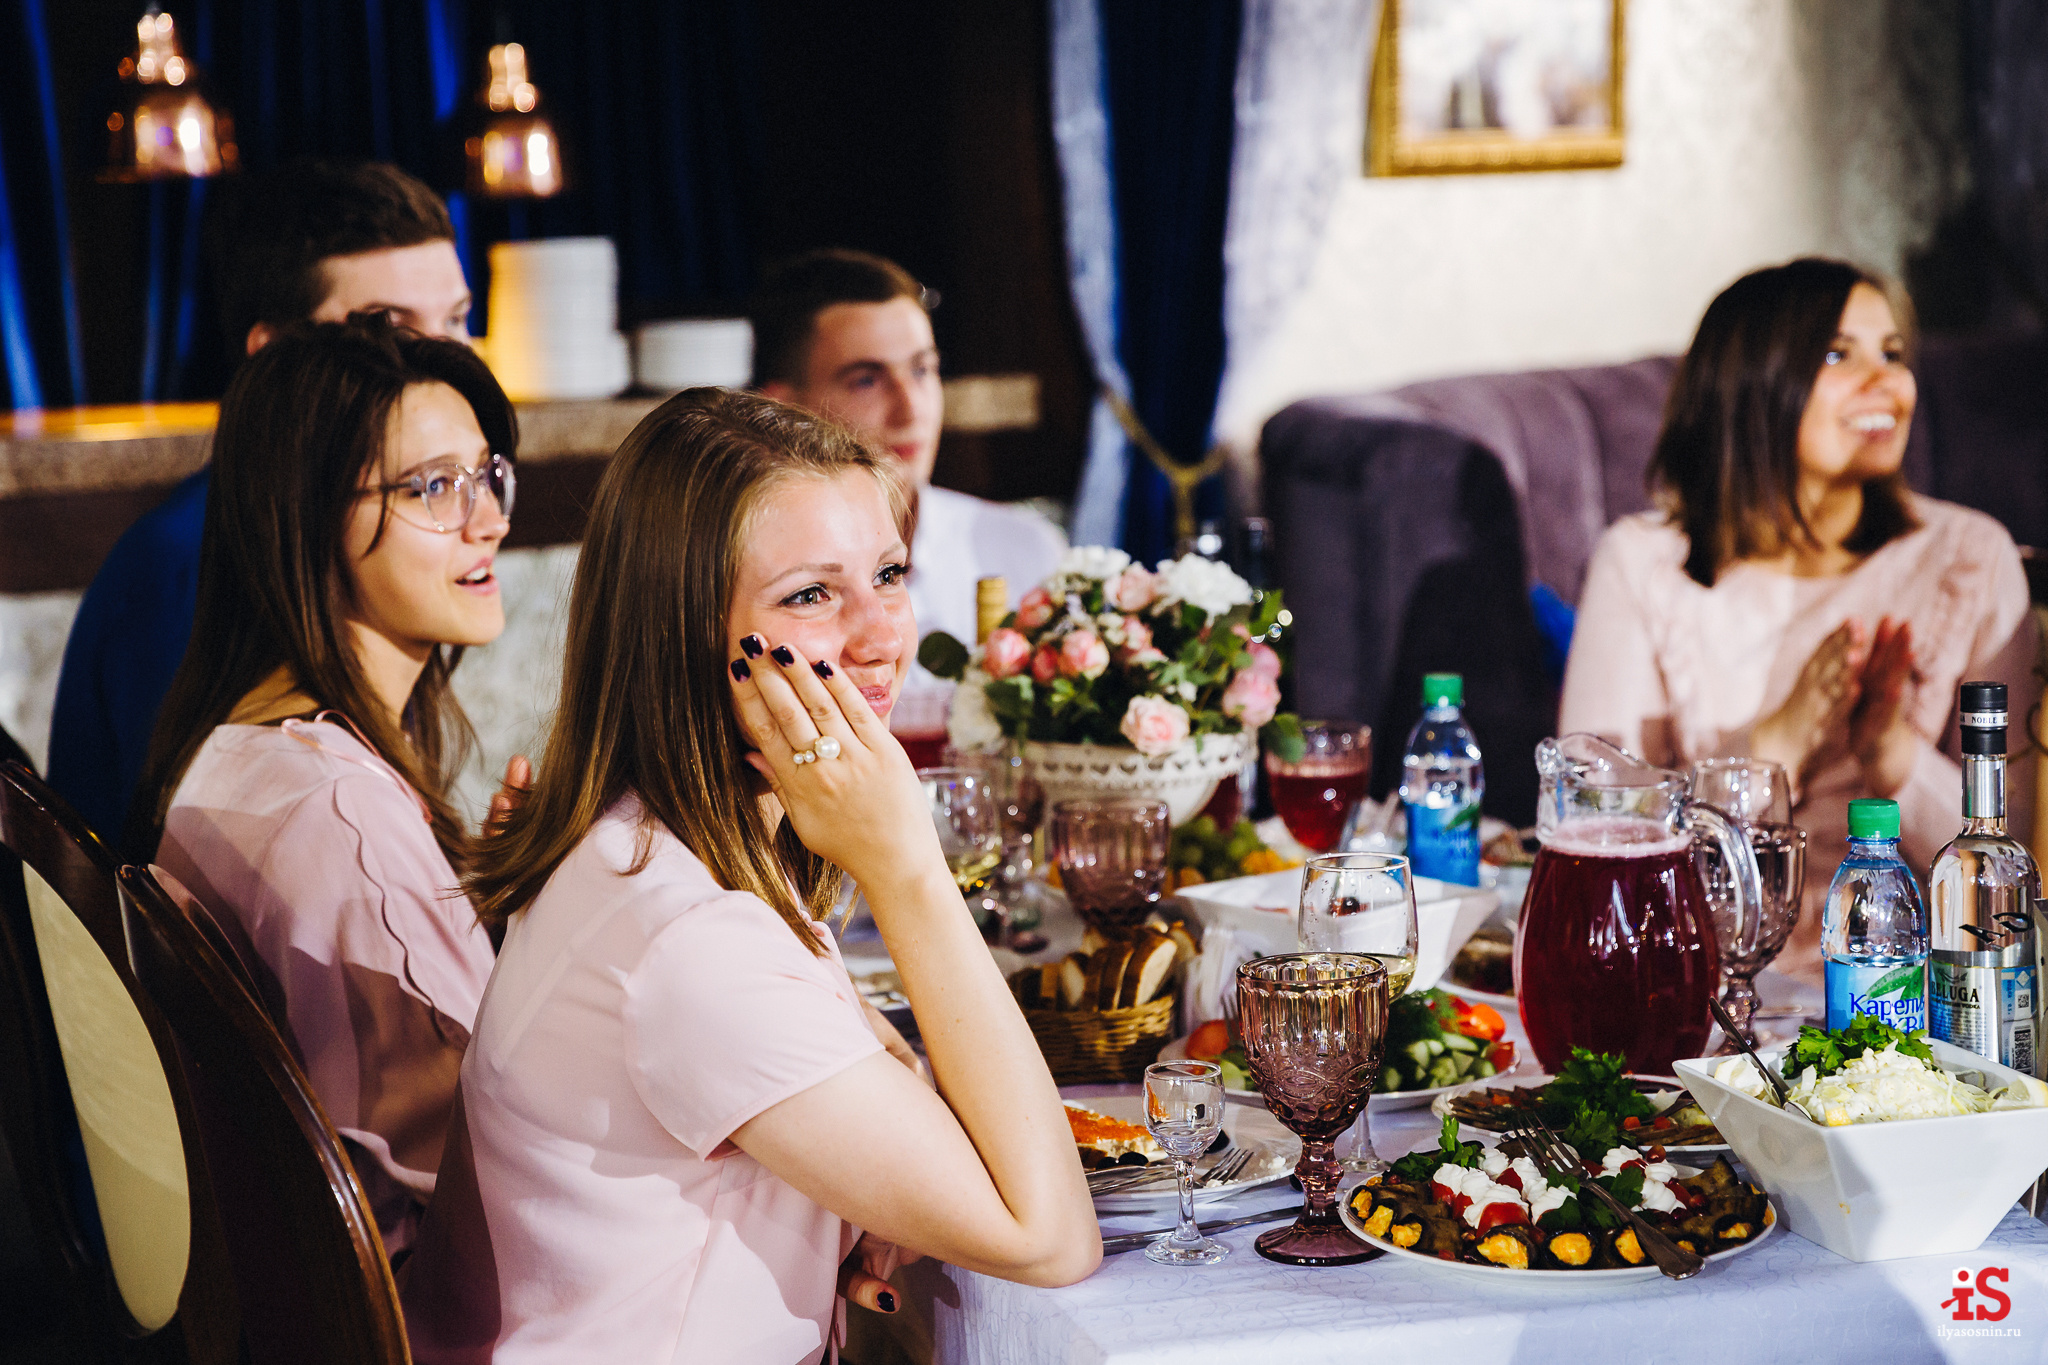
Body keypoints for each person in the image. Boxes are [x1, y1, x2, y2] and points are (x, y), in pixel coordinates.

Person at [398, 389, 1098, 1363]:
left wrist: (863, 1200)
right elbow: (1050, 1238)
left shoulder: (651, 844)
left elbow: (898, 1088)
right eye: (809, 595)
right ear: (683, 630)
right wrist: (907, 870)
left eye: (888, 574)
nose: (877, 634)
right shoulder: (690, 940)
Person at [133, 317, 511, 1255]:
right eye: (433, 487)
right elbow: (494, 1166)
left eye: (486, 473)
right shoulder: (337, 813)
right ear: (307, 516)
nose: (490, 519)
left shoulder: (243, 749)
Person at [1560, 257, 2038, 980]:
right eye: (1839, 353)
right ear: (1751, 384)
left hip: (1917, 991)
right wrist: (1775, 744)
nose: (1888, 382)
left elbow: (2015, 885)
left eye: (1894, 353)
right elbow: (1596, 843)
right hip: (1696, 983)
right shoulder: (1643, 562)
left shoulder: (1971, 556)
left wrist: (1895, 758)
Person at [49, 159, 474, 845]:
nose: (444, 361)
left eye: (455, 320)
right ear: (272, 355)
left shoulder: (371, 534)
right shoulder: (191, 561)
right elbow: (190, 878)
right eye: (386, 328)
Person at [751, 248, 1067, 650]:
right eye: (867, 380)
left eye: (922, 369)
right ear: (783, 408)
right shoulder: (752, 575)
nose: (910, 410)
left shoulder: (1026, 551)